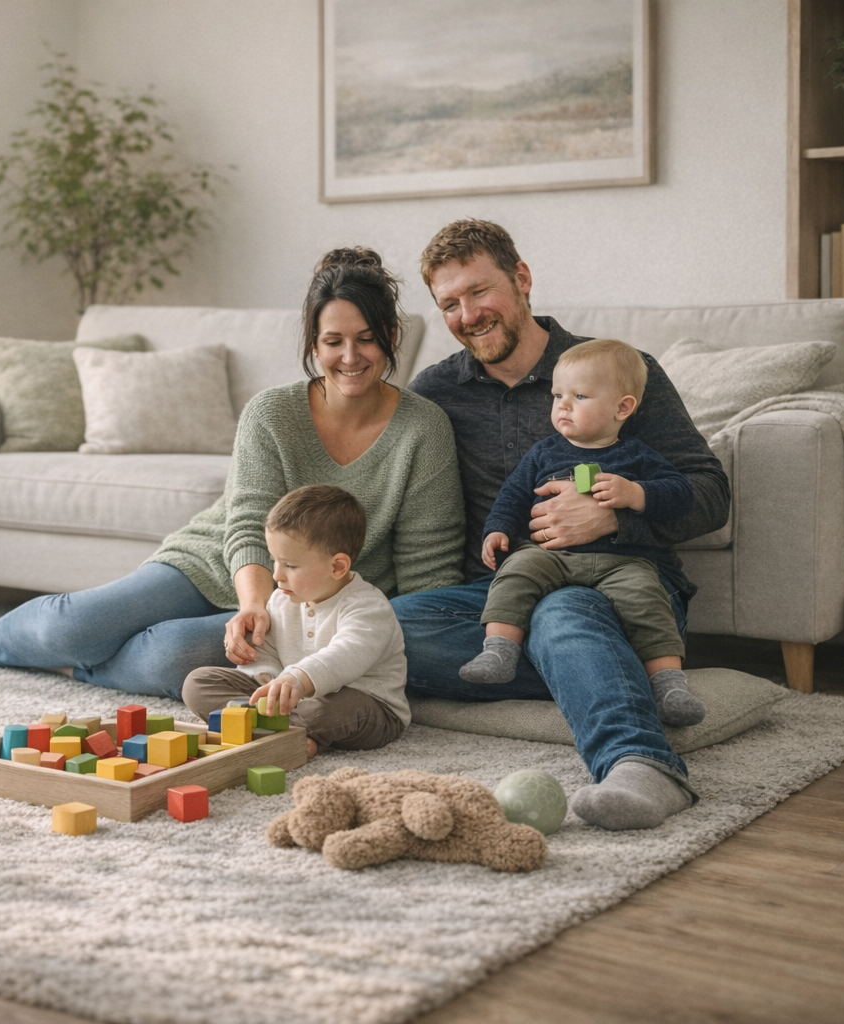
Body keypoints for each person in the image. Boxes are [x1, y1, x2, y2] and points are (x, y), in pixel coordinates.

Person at [0, 247, 464, 700]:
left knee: (171, 656)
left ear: (392, 337)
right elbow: (245, 524)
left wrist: (359, 638)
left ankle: (76, 672)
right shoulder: (273, 412)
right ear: (313, 345)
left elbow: (427, 573)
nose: (350, 357)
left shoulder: (423, 429)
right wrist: (253, 607)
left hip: (320, 603)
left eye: (367, 339)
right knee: (80, 624)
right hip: (217, 562)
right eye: (333, 341)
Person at [396, 219, 730, 832]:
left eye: (480, 291)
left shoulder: (619, 373)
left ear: (521, 279)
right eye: (449, 303)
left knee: (563, 611)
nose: (468, 314)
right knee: (378, 627)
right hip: (502, 599)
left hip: (626, 588)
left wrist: (613, 514)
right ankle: (594, 673)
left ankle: (642, 764)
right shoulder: (436, 391)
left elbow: (711, 496)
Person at [459, 338, 706, 729]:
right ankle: (499, 651)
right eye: (558, 395)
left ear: (622, 407)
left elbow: (681, 494)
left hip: (620, 561)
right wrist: (497, 531)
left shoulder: (637, 455)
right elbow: (513, 496)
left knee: (647, 596)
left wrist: (638, 493)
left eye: (580, 396)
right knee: (517, 570)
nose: (563, 406)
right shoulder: (544, 453)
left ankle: (670, 686)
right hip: (550, 555)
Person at [181, 485, 408, 758]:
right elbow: (266, 652)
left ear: (337, 567)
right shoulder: (281, 599)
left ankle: (269, 733)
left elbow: (346, 655)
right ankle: (281, 734)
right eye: (274, 561)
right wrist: (261, 674)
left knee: (325, 711)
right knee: (197, 684)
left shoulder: (369, 607)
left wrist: (296, 679)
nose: (277, 575)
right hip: (292, 699)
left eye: (290, 565)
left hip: (367, 705)